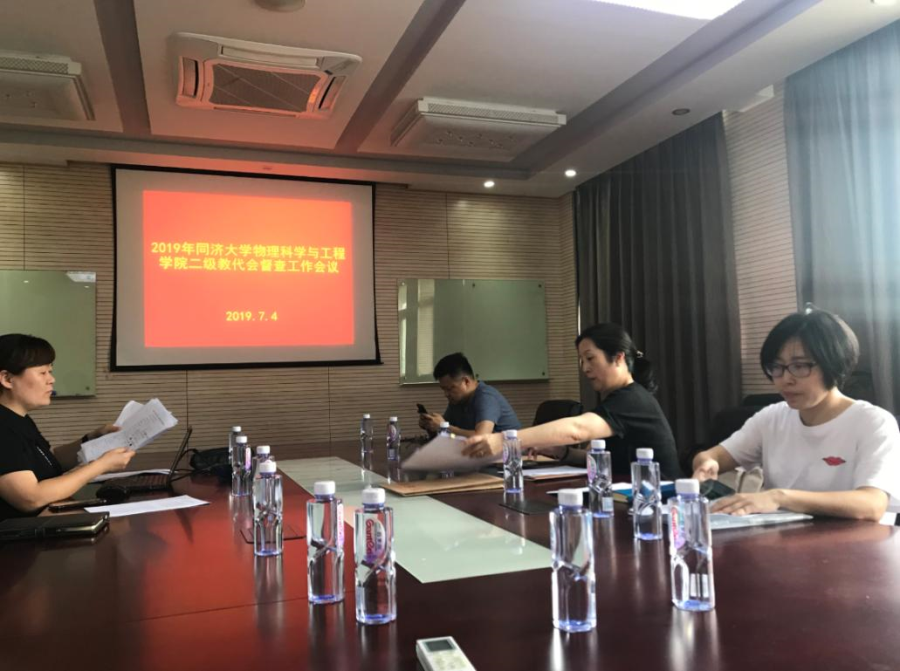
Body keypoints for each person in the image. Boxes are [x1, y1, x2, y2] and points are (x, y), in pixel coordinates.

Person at [692, 307, 900, 522]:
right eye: (776, 367)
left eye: (799, 366)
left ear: (834, 365)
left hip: (859, 541)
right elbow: (713, 456)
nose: (785, 379)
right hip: (787, 538)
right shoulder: (771, 418)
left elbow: (872, 505)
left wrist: (779, 497)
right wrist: (706, 463)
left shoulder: (873, 422)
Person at [462, 324, 681, 480]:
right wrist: (562, 452)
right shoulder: (617, 399)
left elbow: (577, 430)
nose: (585, 368)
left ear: (618, 358)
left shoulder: (633, 399)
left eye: (590, 358)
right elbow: (601, 458)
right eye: (581, 360)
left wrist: (506, 440)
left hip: (658, 503)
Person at [0, 334, 135, 520]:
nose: (51, 380)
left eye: (50, 371)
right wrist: (100, 466)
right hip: (23, 535)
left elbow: (48, 462)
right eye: (42, 373)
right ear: (7, 379)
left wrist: (91, 439)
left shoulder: (18, 418)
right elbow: (31, 498)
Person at [418, 352, 521, 438]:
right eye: (443, 389)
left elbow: (481, 437)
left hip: (510, 454)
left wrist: (443, 426)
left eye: (450, 388)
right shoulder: (457, 401)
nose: (446, 394)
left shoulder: (486, 397)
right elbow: (449, 435)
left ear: (466, 381)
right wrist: (430, 426)